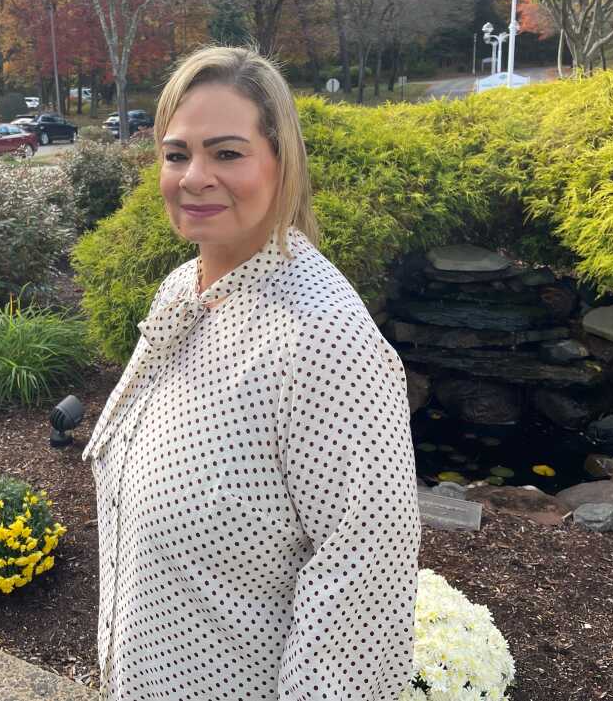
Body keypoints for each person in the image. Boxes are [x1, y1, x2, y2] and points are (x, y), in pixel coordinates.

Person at [82, 45, 421, 700]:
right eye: (177, 153)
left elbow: (362, 592)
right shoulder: (184, 290)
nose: (193, 176)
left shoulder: (323, 342)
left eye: (227, 153)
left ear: (280, 162)